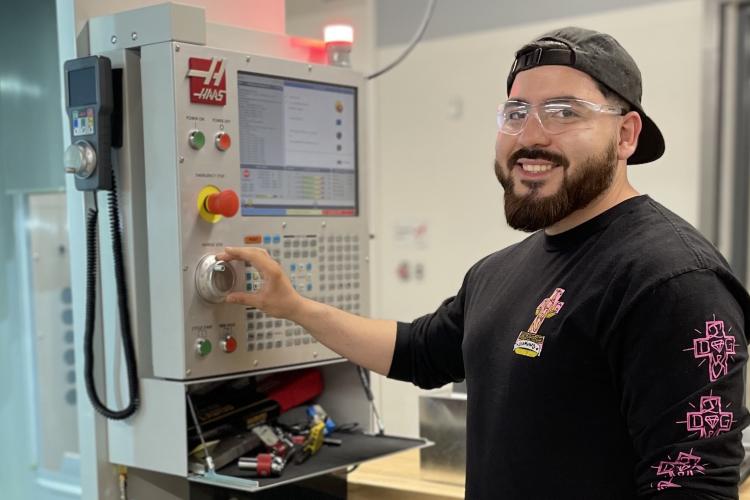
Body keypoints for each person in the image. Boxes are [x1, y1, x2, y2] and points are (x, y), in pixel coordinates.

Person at [217, 27, 750, 499]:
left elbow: (695, 483)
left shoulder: (672, 282)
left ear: (626, 135)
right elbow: (419, 351)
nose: (532, 135)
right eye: (516, 113)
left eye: (564, 112)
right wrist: (293, 307)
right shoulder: (498, 271)